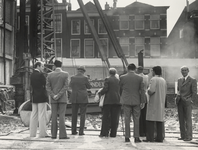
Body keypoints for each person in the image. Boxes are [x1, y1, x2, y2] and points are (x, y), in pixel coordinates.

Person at [119, 63, 145, 143]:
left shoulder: (122, 77)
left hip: (126, 100)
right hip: (136, 100)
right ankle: (136, 137)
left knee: (127, 118)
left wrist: (121, 99)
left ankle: (127, 137)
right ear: (135, 69)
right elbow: (142, 90)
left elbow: (120, 88)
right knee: (136, 119)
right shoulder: (140, 78)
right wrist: (143, 101)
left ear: (127, 68)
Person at [46, 60, 70, 139]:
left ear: (54, 65)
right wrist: (59, 95)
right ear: (61, 65)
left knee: (54, 116)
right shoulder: (65, 74)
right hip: (62, 98)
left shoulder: (49, 75)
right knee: (62, 116)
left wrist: (53, 95)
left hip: (53, 99)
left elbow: (48, 87)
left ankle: (53, 135)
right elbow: (66, 86)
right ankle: (62, 135)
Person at [145, 66, 167, 142]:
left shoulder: (153, 79)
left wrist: (147, 90)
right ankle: (159, 137)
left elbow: (151, 90)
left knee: (150, 120)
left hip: (154, 102)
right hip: (161, 102)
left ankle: (150, 138)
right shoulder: (163, 80)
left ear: (154, 71)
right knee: (159, 120)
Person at [175, 66, 197, 141]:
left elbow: (194, 92)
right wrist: (177, 98)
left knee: (188, 119)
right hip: (180, 101)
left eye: (185, 70)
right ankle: (183, 135)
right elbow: (178, 90)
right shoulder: (179, 80)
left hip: (187, 101)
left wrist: (191, 100)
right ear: (181, 71)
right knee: (181, 119)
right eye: (182, 70)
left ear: (188, 71)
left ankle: (189, 136)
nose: (184, 72)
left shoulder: (192, 80)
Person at [98, 68, 121, 138]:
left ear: (109, 73)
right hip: (117, 100)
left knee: (106, 117)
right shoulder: (118, 80)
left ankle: (104, 133)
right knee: (115, 117)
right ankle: (113, 133)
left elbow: (105, 88)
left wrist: (100, 93)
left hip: (108, 100)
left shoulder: (107, 79)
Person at [69, 66, 92, 136]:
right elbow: (89, 86)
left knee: (74, 114)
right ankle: (81, 131)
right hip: (83, 97)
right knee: (82, 114)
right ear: (83, 71)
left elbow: (70, 86)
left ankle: (73, 131)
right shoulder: (85, 78)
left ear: (78, 70)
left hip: (74, 97)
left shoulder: (72, 77)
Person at [30, 61, 49, 138]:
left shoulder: (31, 75)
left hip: (34, 96)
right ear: (38, 66)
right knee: (42, 115)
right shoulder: (41, 75)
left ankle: (32, 133)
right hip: (41, 96)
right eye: (42, 66)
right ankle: (42, 133)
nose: (43, 68)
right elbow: (45, 84)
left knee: (34, 114)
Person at [136, 66, 149, 137]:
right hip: (145, 96)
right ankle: (145, 131)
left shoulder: (137, 77)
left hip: (138, 97)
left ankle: (140, 131)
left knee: (138, 115)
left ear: (137, 70)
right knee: (144, 114)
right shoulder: (146, 77)